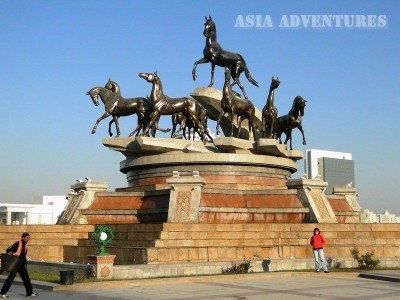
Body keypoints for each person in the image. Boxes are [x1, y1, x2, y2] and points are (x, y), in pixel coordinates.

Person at [0, 233, 37, 298]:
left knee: (26, 279)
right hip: (15, 264)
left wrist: (25, 264)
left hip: (21, 265)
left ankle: (29, 293)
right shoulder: (18, 243)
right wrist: (10, 252)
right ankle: (2, 293)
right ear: (23, 237)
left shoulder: (25, 246)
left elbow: (24, 256)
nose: (28, 239)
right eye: (27, 237)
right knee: (10, 278)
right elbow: (8, 249)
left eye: (29, 238)